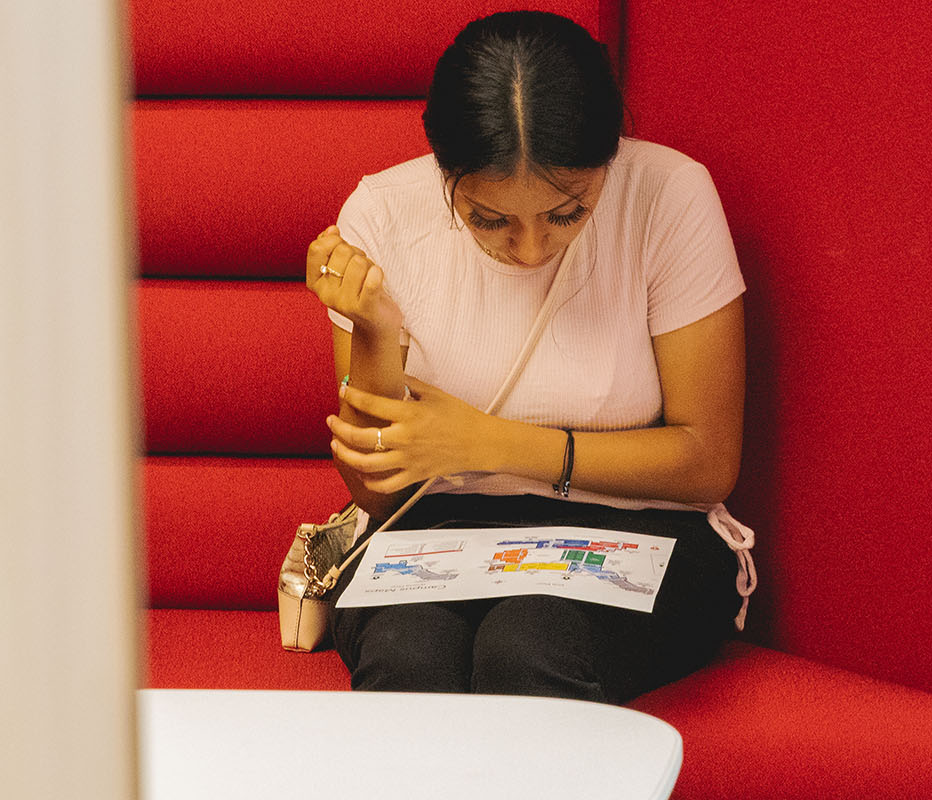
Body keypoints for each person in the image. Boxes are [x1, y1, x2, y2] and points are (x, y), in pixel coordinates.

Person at [305, 10, 757, 702]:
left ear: (610, 156)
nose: (531, 250)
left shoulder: (668, 194)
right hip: (437, 530)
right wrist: (373, 329)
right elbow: (373, 491)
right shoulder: (384, 213)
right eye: (490, 219)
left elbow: (707, 459)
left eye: (567, 213)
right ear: (443, 170)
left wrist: (493, 444)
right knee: (407, 655)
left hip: (640, 526)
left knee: (529, 647)